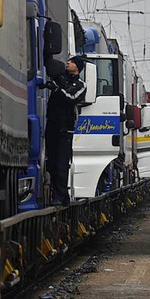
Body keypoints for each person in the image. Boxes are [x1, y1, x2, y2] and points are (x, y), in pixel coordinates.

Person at [43, 56, 86, 205]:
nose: (68, 63)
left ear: (78, 67)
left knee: (62, 163)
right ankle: (58, 194)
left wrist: (57, 89)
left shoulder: (80, 84)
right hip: (52, 125)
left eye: (72, 62)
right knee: (52, 162)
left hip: (65, 129)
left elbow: (71, 97)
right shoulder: (60, 78)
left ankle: (61, 196)